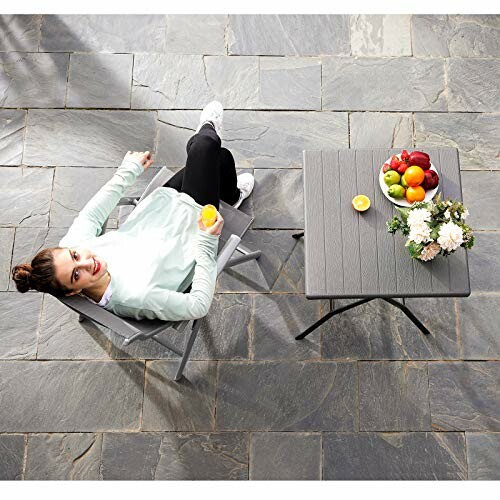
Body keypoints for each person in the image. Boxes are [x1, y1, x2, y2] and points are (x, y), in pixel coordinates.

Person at [11, 101, 254, 322]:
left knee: (217, 157)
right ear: (74, 291)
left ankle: (230, 196)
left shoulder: (73, 245)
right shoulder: (133, 297)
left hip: (162, 210)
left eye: (75, 256)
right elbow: (198, 306)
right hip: (192, 228)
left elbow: (91, 215)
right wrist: (206, 242)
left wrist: (126, 171)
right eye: (76, 275)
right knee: (204, 146)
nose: (87, 262)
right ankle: (207, 135)